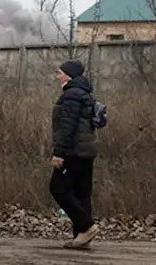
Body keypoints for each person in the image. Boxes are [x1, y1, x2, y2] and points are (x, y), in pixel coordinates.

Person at [50, 59, 99, 249]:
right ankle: (82, 237)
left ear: (68, 75)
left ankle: (86, 226)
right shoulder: (85, 93)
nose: (57, 76)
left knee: (58, 188)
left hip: (73, 151)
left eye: (59, 72)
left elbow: (67, 127)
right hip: (87, 150)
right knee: (81, 193)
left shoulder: (71, 95)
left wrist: (59, 152)